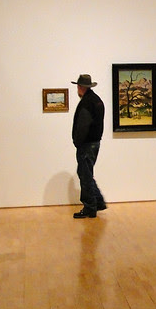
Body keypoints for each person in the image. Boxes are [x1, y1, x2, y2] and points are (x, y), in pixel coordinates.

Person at [71, 74, 106, 219]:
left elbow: (83, 126)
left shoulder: (86, 103)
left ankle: (90, 207)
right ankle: (98, 202)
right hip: (94, 143)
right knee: (86, 173)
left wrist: (77, 142)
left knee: (85, 175)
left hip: (87, 144)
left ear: (80, 87)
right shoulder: (97, 100)